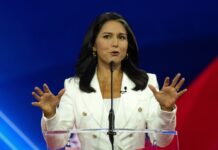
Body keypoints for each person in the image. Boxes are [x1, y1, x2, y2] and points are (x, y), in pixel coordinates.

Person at [32, 12, 187, 150]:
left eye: (121, 37)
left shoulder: (147, 82)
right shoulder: (73, 86)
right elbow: (56, 143)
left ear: (128, 46)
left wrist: (166, 110)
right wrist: (51, 114)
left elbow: (161, 140)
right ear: (93, 45)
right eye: (107, 37)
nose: (115, 43)